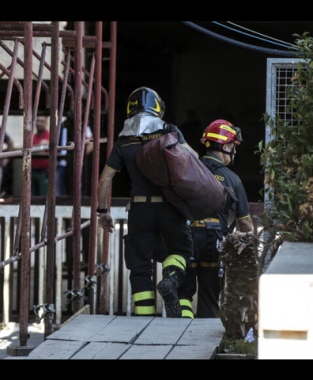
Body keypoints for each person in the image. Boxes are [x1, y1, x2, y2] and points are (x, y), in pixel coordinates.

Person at [96, 86, 195, 318]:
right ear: (158, 108)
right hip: (170, 206)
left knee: (140, 264)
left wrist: (103, 211)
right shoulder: (170, 132)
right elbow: (194, 160)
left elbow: (105, 180)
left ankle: (144, 318)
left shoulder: (123, 141)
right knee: (180, 249)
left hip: (140, 209)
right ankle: (171, 278)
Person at [178, 119, 254, 319]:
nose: (234, 152)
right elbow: (244, 223)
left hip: (187, 238)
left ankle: (180, 331)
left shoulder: (187, 170)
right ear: (225, 145)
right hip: (214, 242)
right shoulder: (232, 179)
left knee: (183, 293)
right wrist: (252, 250)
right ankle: (200, 339)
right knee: (210, 296)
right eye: (233, 146)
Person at [31, 115, 50, 196]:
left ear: (46, 123)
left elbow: (40, 148)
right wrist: (37, 147)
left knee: (43, 197)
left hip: (44, 172)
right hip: (33, 171)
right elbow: (28, 148)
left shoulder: (49, 135)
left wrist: (31, 148)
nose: (39, 123)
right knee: (32, 197)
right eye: (38, 121)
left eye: (42, 121)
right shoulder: (34, 136)